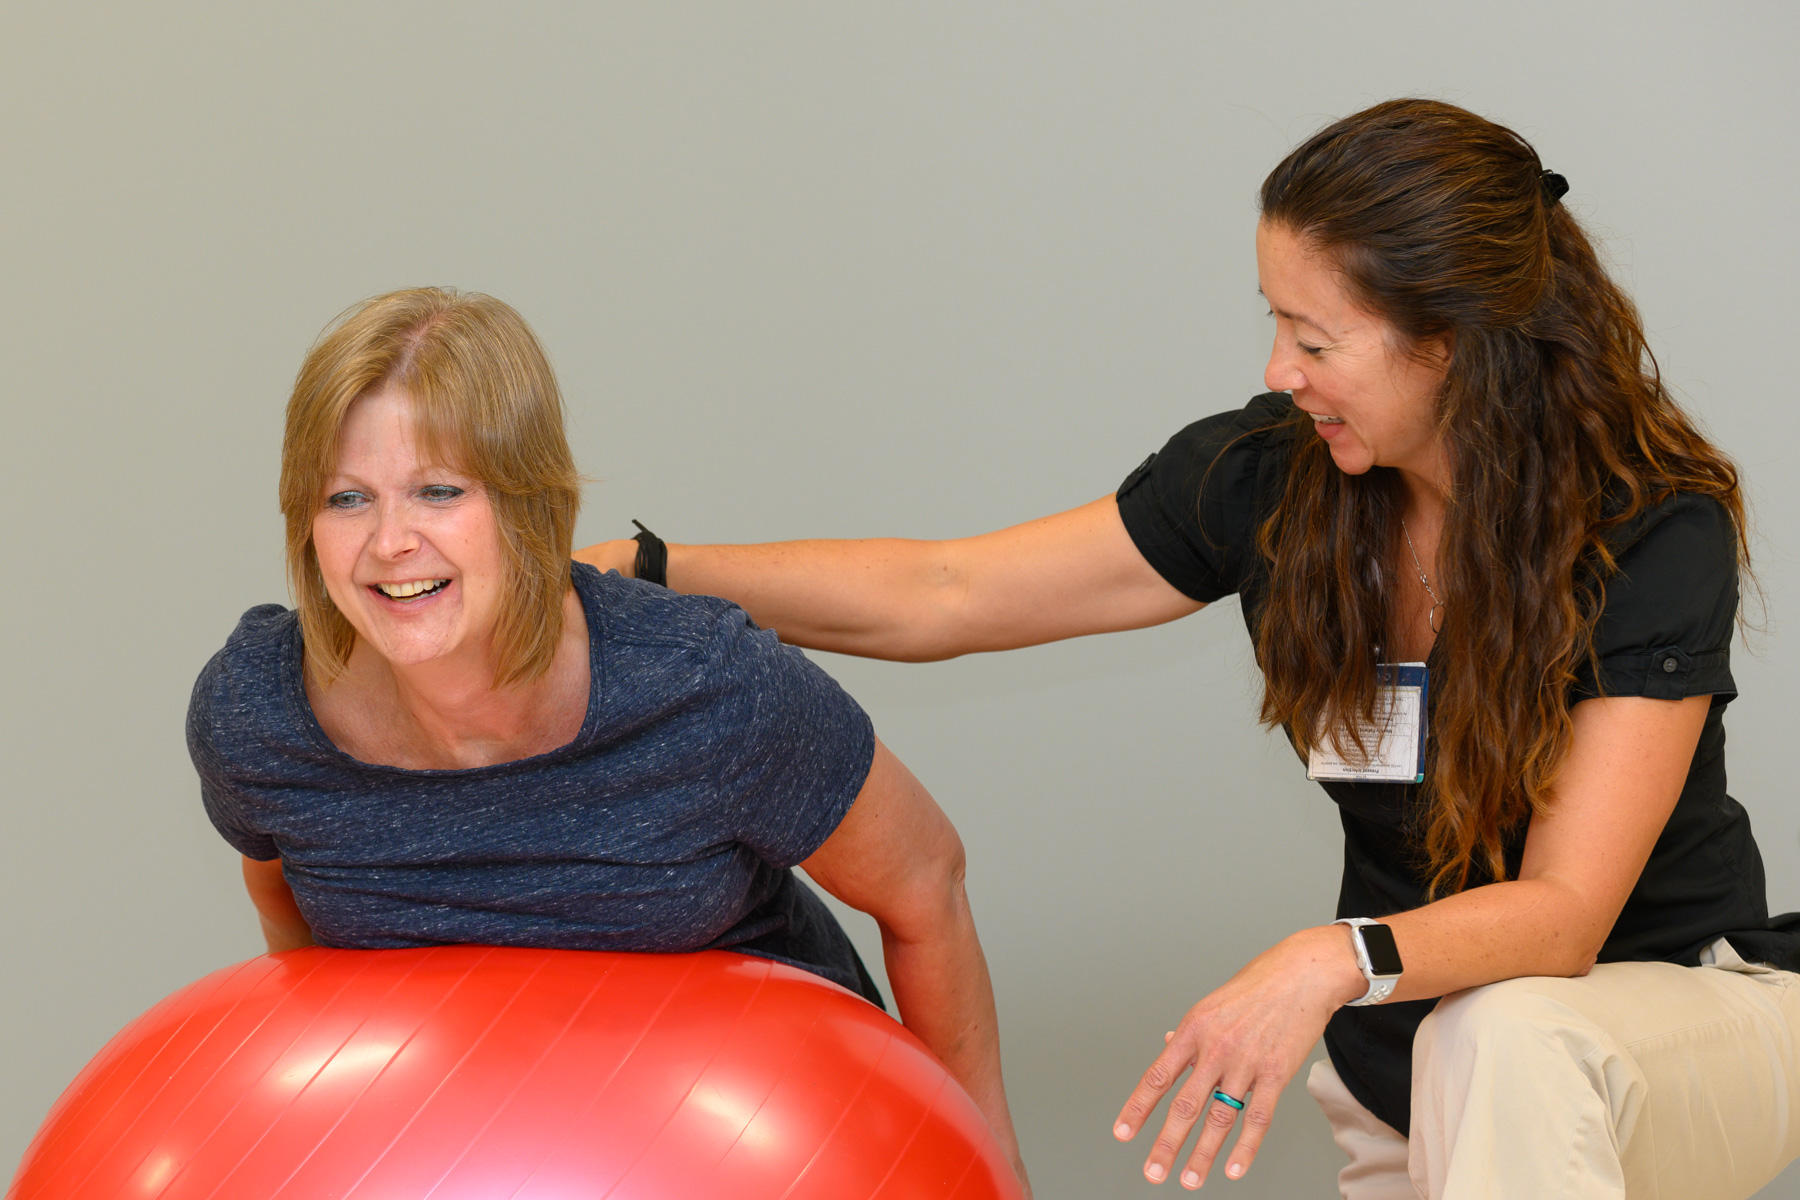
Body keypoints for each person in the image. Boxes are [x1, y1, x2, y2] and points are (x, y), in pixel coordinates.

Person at [575, 99, 1800, 1199]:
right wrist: (661, 573)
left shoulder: (1646, 525)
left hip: (1671, 1029)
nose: (1281, 371)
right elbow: (946, 592)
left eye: (1317, 341)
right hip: (1416, 1080)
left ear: (1452, 342)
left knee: (1510, 1032)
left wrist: (1325, 960)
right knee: (1473, 1043)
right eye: (1276, 325)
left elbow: (1565, 916)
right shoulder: (1277, 480)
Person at [185, 287, 1029, 1194]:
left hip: (760, 1158)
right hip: (465, 1161)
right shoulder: (257, 717)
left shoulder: (706, 688)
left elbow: (924, 884)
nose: (391, 541)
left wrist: (986, 1170)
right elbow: (289, 913)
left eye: (439, 490)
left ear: (526, 502)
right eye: (347, 498)